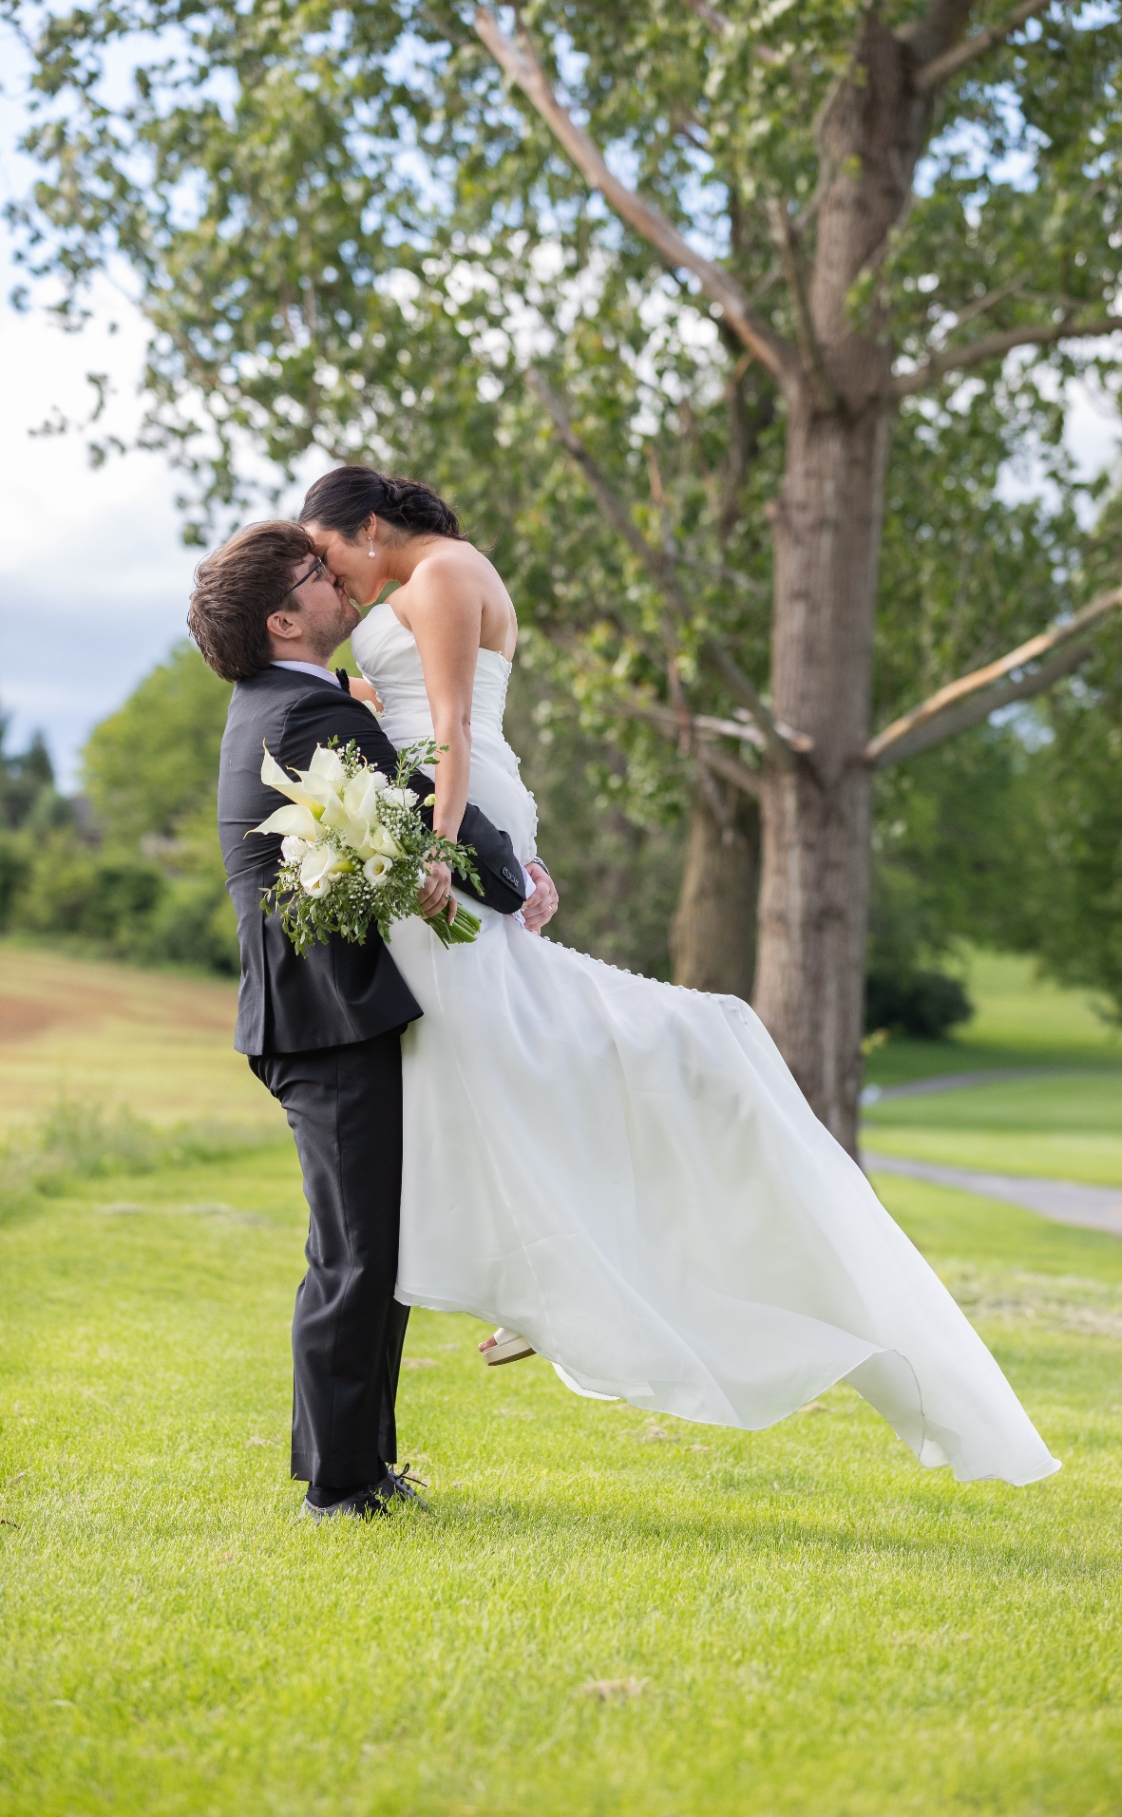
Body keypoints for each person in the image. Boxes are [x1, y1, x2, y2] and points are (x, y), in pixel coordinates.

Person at [300, 466, 1060, 1489]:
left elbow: (452, 728)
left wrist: (444, 849)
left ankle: (567, 1251)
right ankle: (546, 1265)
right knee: (474, 1046)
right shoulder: (434, 578)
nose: (332, 581)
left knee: (491, 1037)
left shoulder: (434, 580)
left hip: (445, 813)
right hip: (457, 813)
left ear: (371, 526)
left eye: (330, 553)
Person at [190, 520, 529, 1520]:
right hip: (322, 1019)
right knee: (354, 1254)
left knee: (375, 1247)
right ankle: (338, 1489)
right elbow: (421, 799)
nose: (342, 584)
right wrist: (518, 880)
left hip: (326, 1015)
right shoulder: (302, 720)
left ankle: (364, 1466)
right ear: (285, 619)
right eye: (316, 577)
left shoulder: (294, 702)